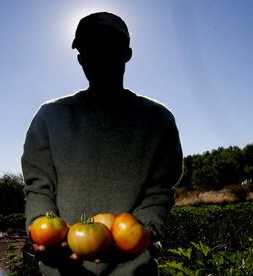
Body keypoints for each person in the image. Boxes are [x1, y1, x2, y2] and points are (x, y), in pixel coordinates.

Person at [21, 11, 183, 275]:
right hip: (62, 270)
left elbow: (160, 191)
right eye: (90, 49)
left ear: (127, 53)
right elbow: (38, 188)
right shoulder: (50, 117)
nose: (99, 56)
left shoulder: (158, 121)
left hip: (134, 270)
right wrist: (42, 228)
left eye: (109, 46)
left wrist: (142, 232)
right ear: (81, 59)